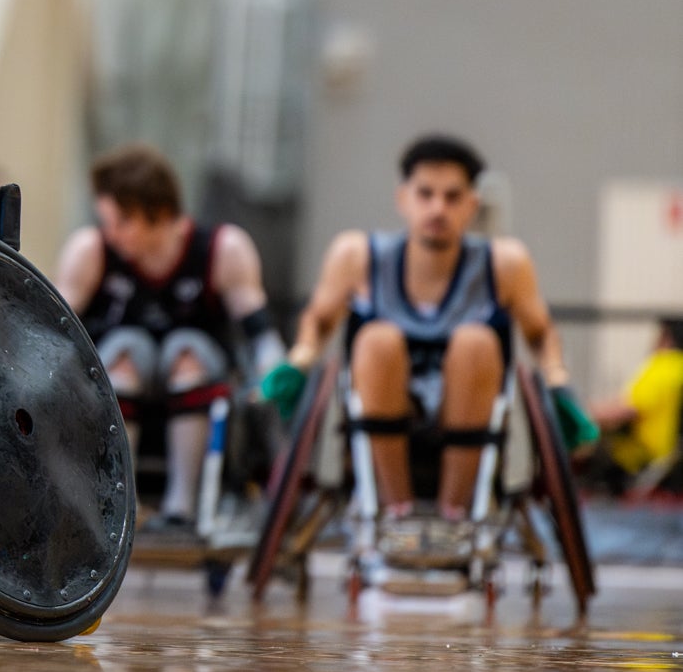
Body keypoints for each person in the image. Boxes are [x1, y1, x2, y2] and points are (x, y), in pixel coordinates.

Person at [259, 133, 595, 556]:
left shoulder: (506, 263)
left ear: (472, 204)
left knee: (475, 342)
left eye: (453, 197)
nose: (438, 208)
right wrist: (300, 360)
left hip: (470, 402)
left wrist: (557, 383)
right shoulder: (356, 254)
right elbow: (319, 319)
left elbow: (541, 332)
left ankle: (454, 518)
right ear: (403, 198)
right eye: (426, 194)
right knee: (377, 339)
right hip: (385, 403)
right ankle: (397, 512)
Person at [54, 143, 284, 535]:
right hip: (119, 374)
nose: (111, 235)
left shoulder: (224, 249)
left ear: (159, 213)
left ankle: (181, 507)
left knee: (186, 350)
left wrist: (276, 375)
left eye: (122, 223)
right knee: (127, 349)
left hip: (196, 374)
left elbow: (260, 334)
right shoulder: (91, 250)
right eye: (105, 222)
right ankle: (121, 503)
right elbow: (50, 332)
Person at [586, 316, 683, 493]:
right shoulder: (679, 369)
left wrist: (586, 412)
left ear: (667, 339)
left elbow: (629, 408)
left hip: (641, 457)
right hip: (668, 457)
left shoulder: (664, 365)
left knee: (583, 445)